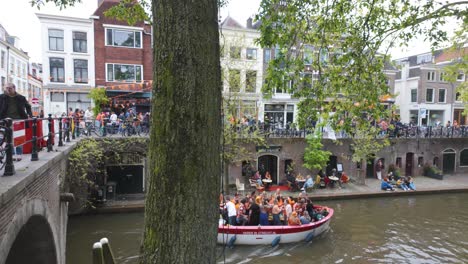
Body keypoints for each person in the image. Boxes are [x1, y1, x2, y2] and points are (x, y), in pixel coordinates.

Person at [0, 83, 33, 161]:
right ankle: (10, 154)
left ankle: (18, 154)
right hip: (6, 120)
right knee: (8, 138)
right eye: (6, 88)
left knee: (19, 137)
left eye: (10, 88)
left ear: (14, 88)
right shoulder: (2, 97)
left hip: (18, 120)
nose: (8, 89)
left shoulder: (21, 97)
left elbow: (28, 106)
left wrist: (30, 115)